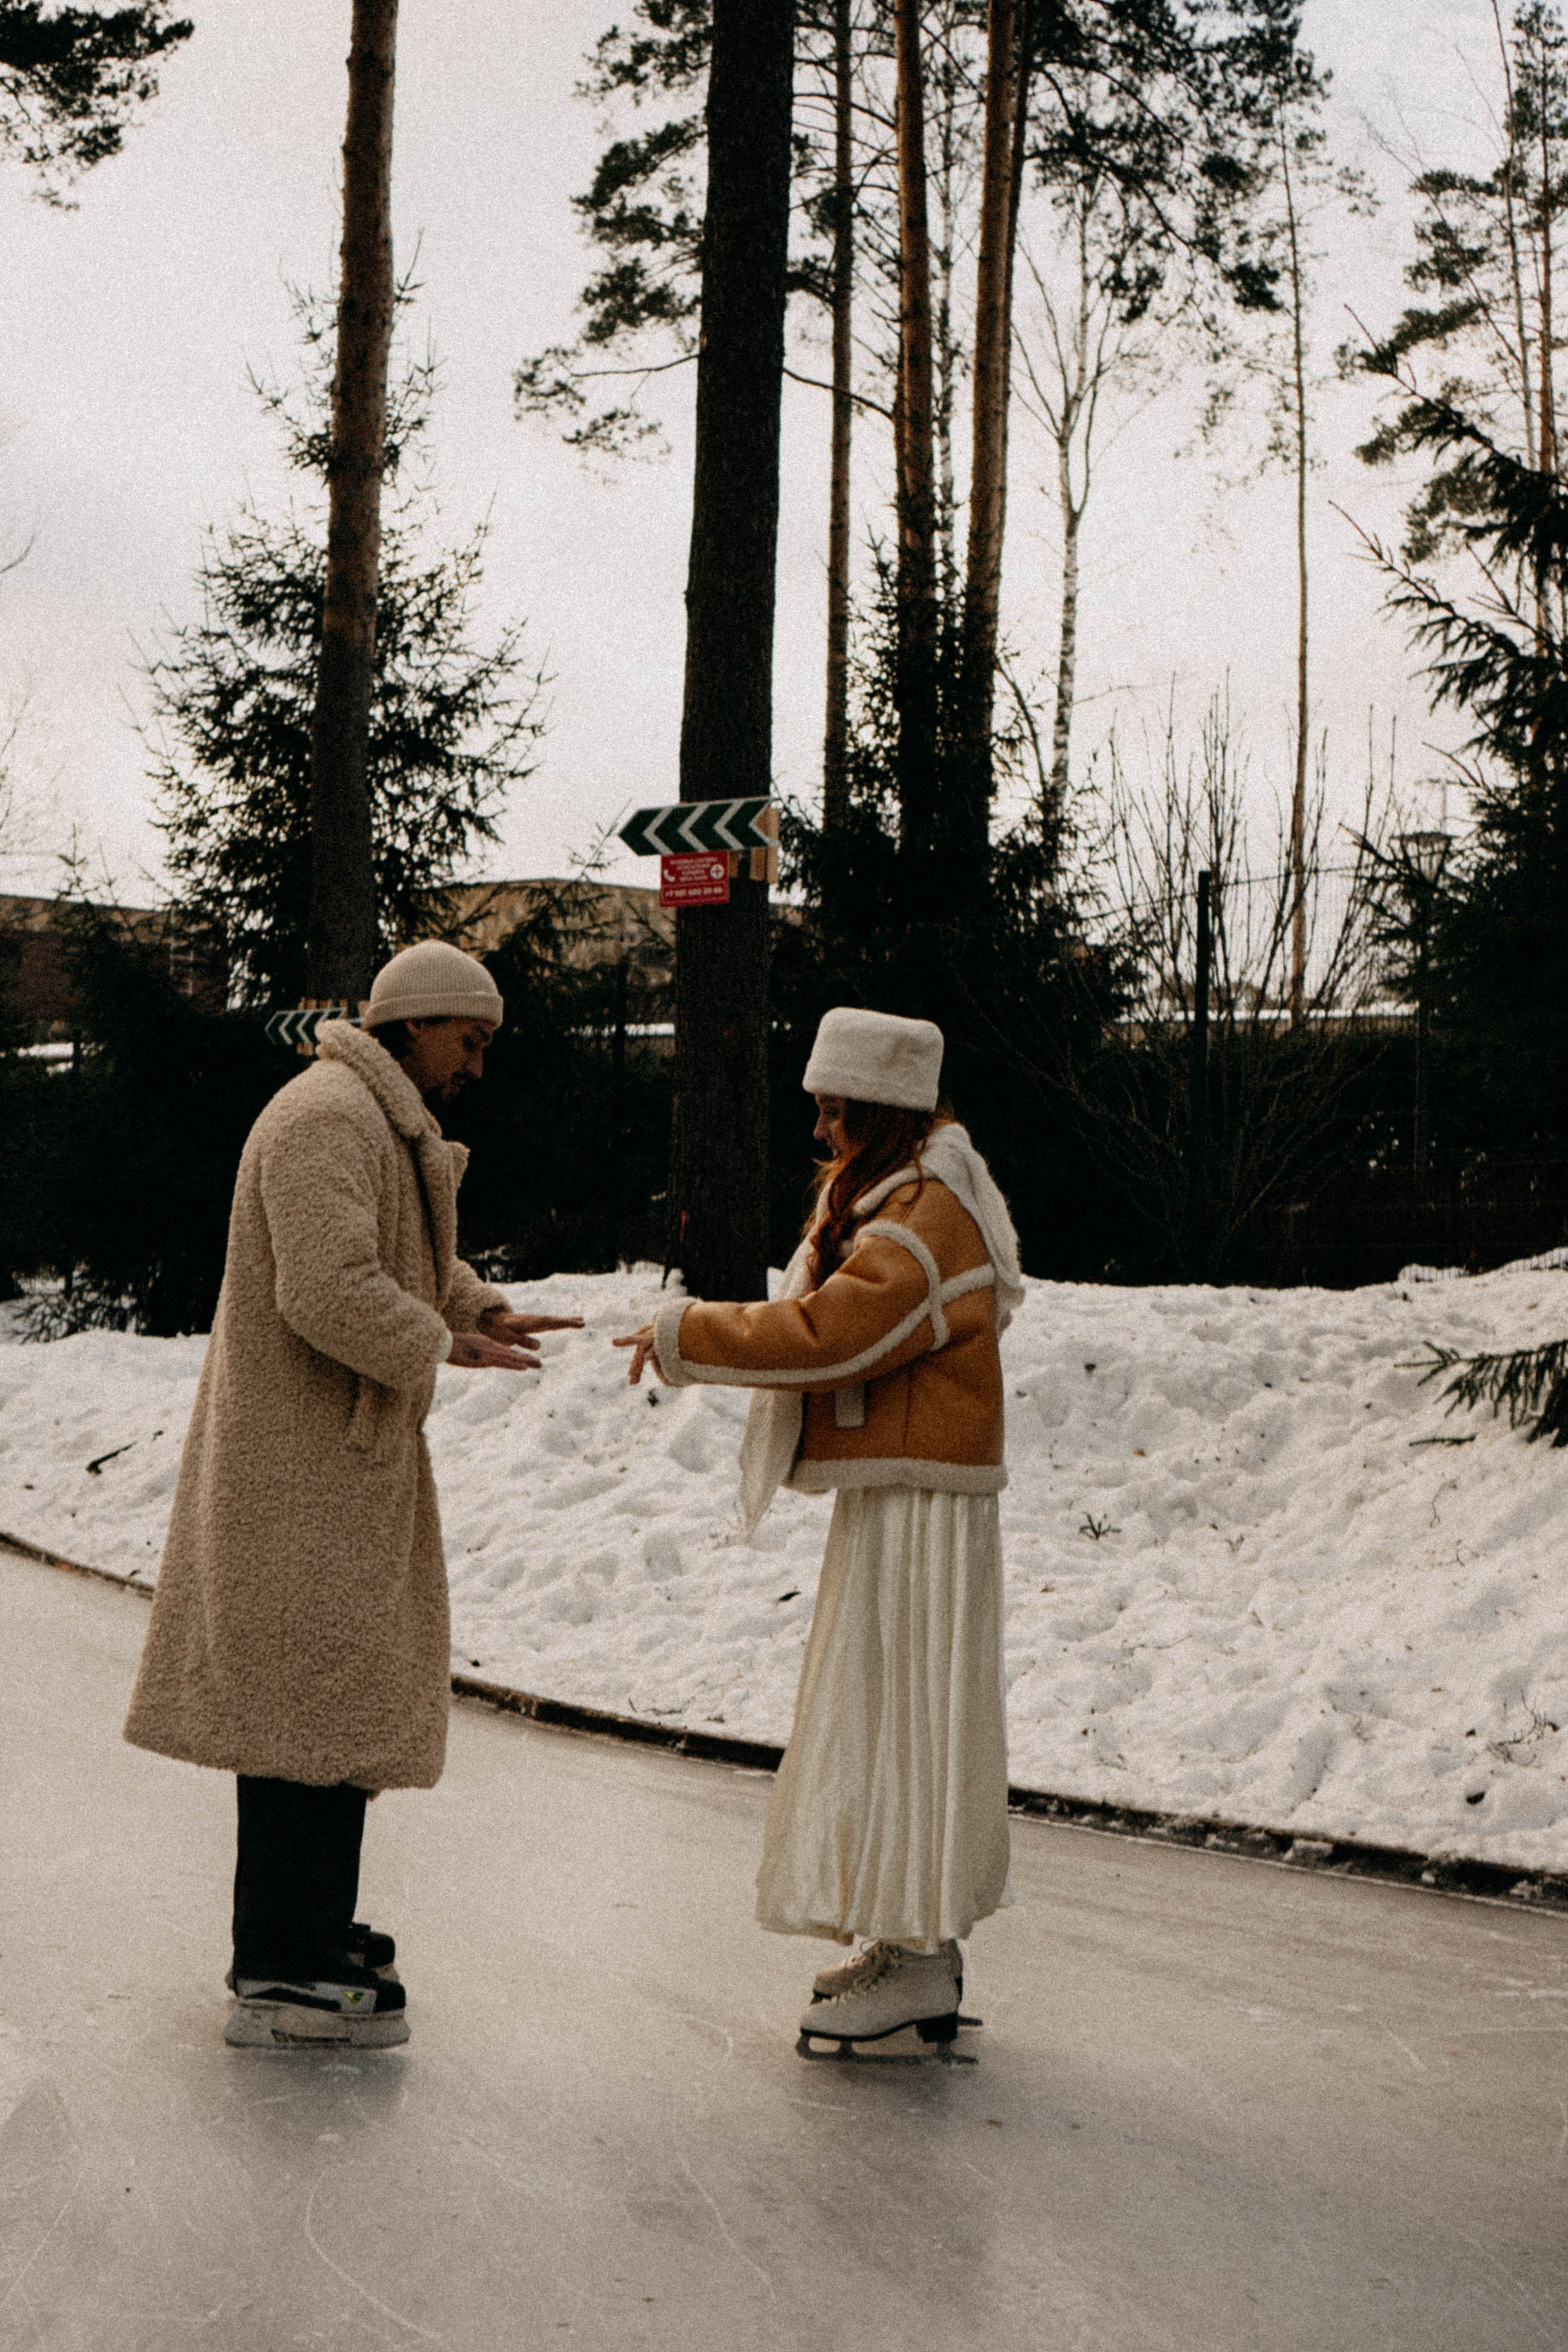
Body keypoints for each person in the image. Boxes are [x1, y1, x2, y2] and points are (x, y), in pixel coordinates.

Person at [124, 940, 581, 2049]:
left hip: (337, 1458)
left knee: (331, 1695)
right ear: (414, 1024)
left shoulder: (372, 1119)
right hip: (297, 1464)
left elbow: (392, 1256)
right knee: (298, 1705)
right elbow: (325, 1286)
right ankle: (279, 1957)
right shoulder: (326, 1116)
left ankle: (311, 1923)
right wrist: (440, 1341)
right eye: (468, 1041)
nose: (475, 1065)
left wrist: (470, 1308)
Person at [616, 1006, 1023, 2052]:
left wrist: (685, 1332)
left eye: (839, 1115)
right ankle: (905, 1932)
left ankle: (925, 1955)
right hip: (900, 1496)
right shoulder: (903, 1198)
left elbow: (831, 1336)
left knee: (908, 1717)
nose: (825, 1136)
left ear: (886, 1113)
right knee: (884, 1708)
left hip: (924, 1510)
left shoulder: (927, 1223)